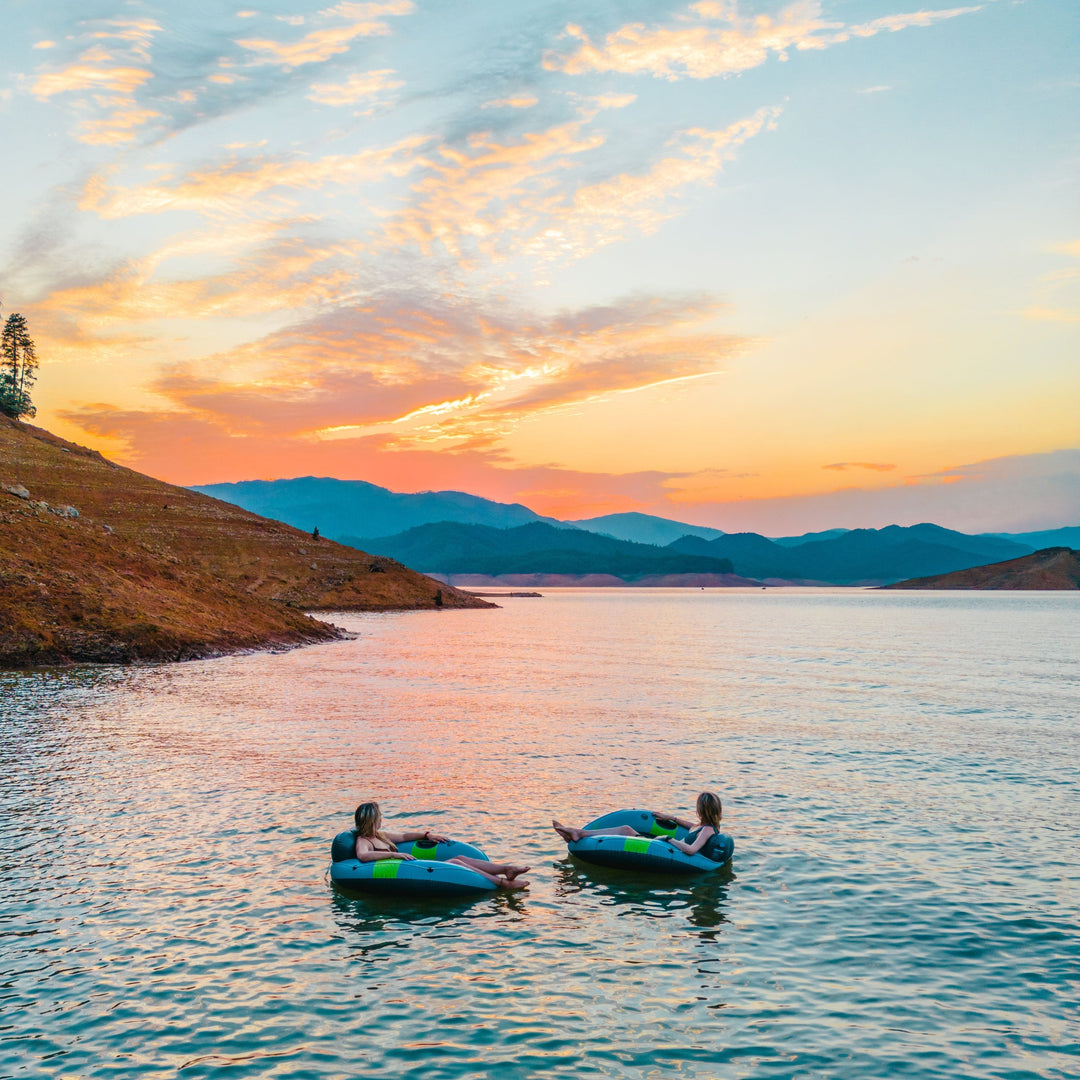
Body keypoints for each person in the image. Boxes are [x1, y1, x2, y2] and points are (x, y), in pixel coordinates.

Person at [352, 801, 530, 889]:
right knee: (456, 864)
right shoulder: (364, 841)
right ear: (372, 820)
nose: (382, 818)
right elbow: (363, 856)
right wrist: (393, 855)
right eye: (379, 816)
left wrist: (427, 835)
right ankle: (502, 883)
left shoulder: (381, 836)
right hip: (406, 871)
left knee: (459, 858)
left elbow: (404, 835)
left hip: (410, 865)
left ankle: (507, 869)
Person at [553, 791, 729, 861]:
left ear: (701, 809)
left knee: (625, 830)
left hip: (669, 849)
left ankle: (579, 833)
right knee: (625, 829)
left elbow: (691, 850)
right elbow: (690, 826)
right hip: (668, 846)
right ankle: (578, 833)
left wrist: (669, 839)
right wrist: (672, 817)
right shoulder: (703, 826)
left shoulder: (706, 830)